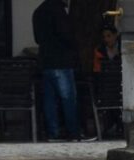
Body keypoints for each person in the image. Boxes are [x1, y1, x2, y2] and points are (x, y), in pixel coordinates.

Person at [33, 0, 93, 142]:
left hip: (45, 60)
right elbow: (66, 35)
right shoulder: (58, 11)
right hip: (61, 60)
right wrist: (75, 46)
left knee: (50, 100)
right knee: (69, 98)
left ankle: (53, 133)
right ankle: (74, 132)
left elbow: (37, 39)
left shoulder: (38, 11)